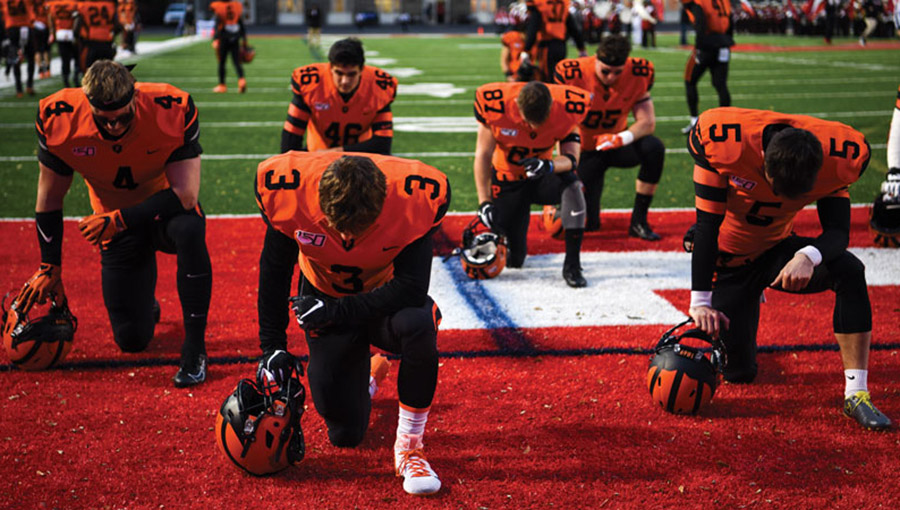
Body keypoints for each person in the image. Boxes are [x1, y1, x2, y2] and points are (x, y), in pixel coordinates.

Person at [254, 151, 450, 495]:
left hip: (386, 303)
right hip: (326, 296)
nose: (346, 239)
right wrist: (272, 346)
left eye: (358, 230)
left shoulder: (414, 198)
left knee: (418, 324)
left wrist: (335, 312)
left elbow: (412, 287)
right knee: (345, 435)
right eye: (336, 227)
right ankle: (369, 376)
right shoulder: (289, 194)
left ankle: (410, 448)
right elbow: (275, 271)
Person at [686, 107, 891, 430]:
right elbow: (706, 227)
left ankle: (857, 393)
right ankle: (747, 300)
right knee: (740, 373)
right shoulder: (724, 142)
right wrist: (700, 301)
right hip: (731, 260)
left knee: (850, 270)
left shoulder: (840, 156)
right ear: (763, 160)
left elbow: (838, 232)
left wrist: (808, 256)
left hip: (778, 249)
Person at [26, 60, 212, 387]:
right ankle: (145, 302)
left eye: (123, 117)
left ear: (135, 98)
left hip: (160, 213)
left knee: (191, 228)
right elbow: (50, 198)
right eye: (104, 120)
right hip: (114, 224)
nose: (113, 127)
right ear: (88, 105)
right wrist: (49, 265)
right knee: (131, 340)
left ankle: (195, 348)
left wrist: (121, 218)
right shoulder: (58, 118)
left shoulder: (170, 107)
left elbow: (185, 196)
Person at [473, 80, 591, 287]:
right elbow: (483, 155)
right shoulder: (496, 106)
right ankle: (529, 227)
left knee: (572, 184)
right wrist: (484, 201)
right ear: (518, 106)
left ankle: (573, 264)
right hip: (507, 181)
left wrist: (548, 165)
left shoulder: (568, 108)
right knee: (514, 260)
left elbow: (572, 160)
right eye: (529, 121)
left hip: (541, 178)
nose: (534, 127)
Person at [554, 34, 664, 240]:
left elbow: (647, 122)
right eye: (605, 71)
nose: (611, 78)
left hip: (615, 145)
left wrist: (622, 138)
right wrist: (569, 163)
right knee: (586, 224)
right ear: (595, 59)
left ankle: (639, 221)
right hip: (585, 151)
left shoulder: (639, 73)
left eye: (617, 73)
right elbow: (560, 124)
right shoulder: (573, 73)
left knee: (653, 147)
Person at [281, 37, 397, 155]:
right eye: (339, 73)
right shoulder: (310, 84)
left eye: (351, 74)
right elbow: (291, 137)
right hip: (317, 156)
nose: (345, 81)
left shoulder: (379, 87)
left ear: (362, 69)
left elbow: (383, 144)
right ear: (330, 68)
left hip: (360, 159)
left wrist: (334, 153)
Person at [680, 0, 734, 135]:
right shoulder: (724, 2)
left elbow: (700, 23)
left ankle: (694, 121)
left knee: (689, 80)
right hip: (723, 44)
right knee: (721, 85)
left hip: (706, 46)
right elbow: (730, 21)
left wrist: (699, 48)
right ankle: (725, 122)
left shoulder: (700, 3)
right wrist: (727, 40)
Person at [522, 0, 587, 82]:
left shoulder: (540, 4)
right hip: (561, 46)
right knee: (559, 76)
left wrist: (526, 50)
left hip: (547, 46)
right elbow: (572, 27)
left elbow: (533, 27)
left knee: (547, 78)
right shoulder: (563, 3)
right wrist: (581, 47)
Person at [209, 0, 248, 93]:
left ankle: (222, 85)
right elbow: (240, 23)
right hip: (235, 36)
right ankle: (241, 80)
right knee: (237, 61)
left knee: (222, 62)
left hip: (224, 37)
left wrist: (215, 38)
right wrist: (244, 38)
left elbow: (218, 23)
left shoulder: (218, 6)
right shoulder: (237, 5)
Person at [1, 0, 36, 97]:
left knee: (15, 58)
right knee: (30, 57)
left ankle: (19, 89)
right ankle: (29, 85)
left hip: (12, 28)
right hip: (27, 26)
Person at [73, 0, 118, 75]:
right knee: (107, 74)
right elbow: (118, 26)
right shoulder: (110, 5)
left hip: (90, 43)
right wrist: (110, 34)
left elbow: (76, 27)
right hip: (106, 43)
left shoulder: (83, 5)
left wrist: (78, 39)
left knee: (90, 74)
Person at [47, 0, 78, 87]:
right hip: (71, 32)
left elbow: (51, 18)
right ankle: (75, 77)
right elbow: (77, 18)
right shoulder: (73, 3)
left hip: (60, 32)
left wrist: (52, 32)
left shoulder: (53, 4)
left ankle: (66, 80)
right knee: (77, 57)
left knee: (65, 59)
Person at [31, 0, 49, 79]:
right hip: (45, 24)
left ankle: (40, 70)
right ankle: (48, 69)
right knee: (45, 49)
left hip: (34, 25)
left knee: (37, 50)